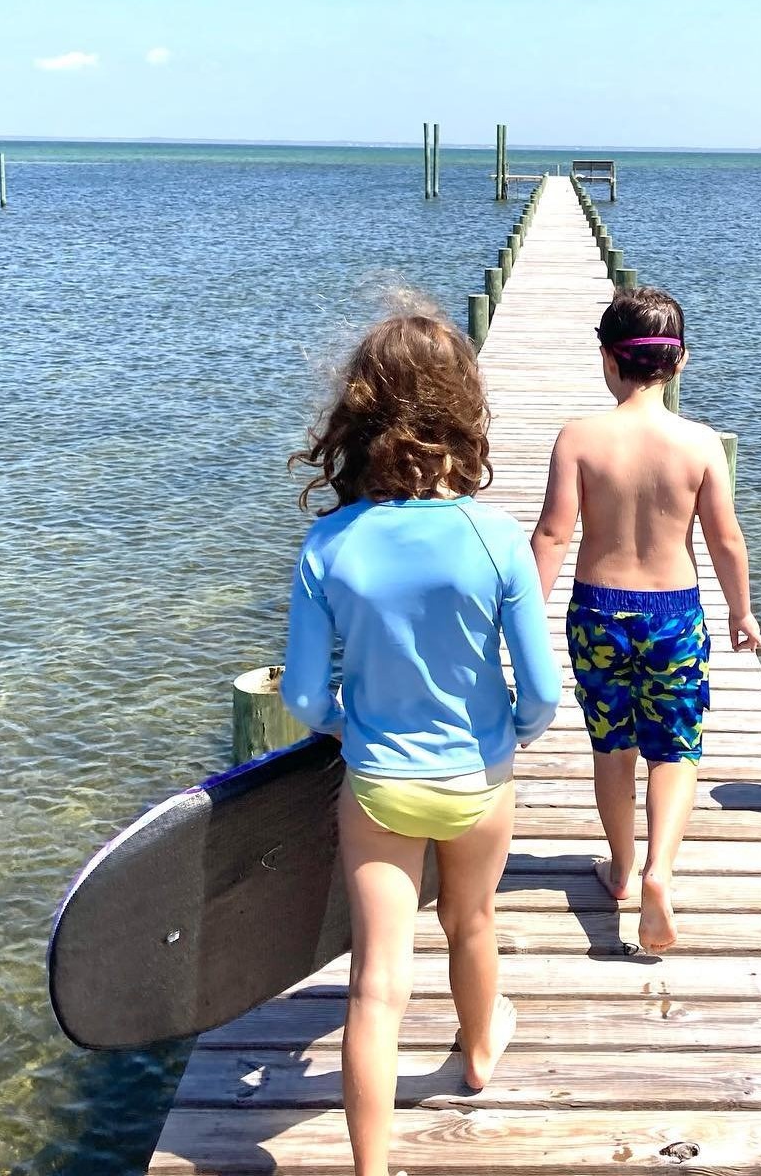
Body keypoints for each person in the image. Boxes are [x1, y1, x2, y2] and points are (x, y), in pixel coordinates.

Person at [281, 310, 560, 1176]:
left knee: (376, 983)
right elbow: (544, 691)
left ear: (361, 415)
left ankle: (372, 1169)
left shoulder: (329, 543)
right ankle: (477, 1054)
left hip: (376, 783)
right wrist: (507, 735)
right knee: (471, 920)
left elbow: (300, 694)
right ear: (462, 410)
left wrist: (345, 722)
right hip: (478, 775)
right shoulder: (497, 536)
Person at [529, 286, 761, 955]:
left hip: (599, 609)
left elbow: (551, 536)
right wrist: (741, 610)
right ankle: (662, 869)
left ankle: (622, 868)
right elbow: (727, 540)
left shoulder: (579, 438)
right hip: (674, 614)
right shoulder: (698, 445)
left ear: (608, 360)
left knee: (613, 744)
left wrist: (518, 624)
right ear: (681, 361)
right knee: (677, 745)